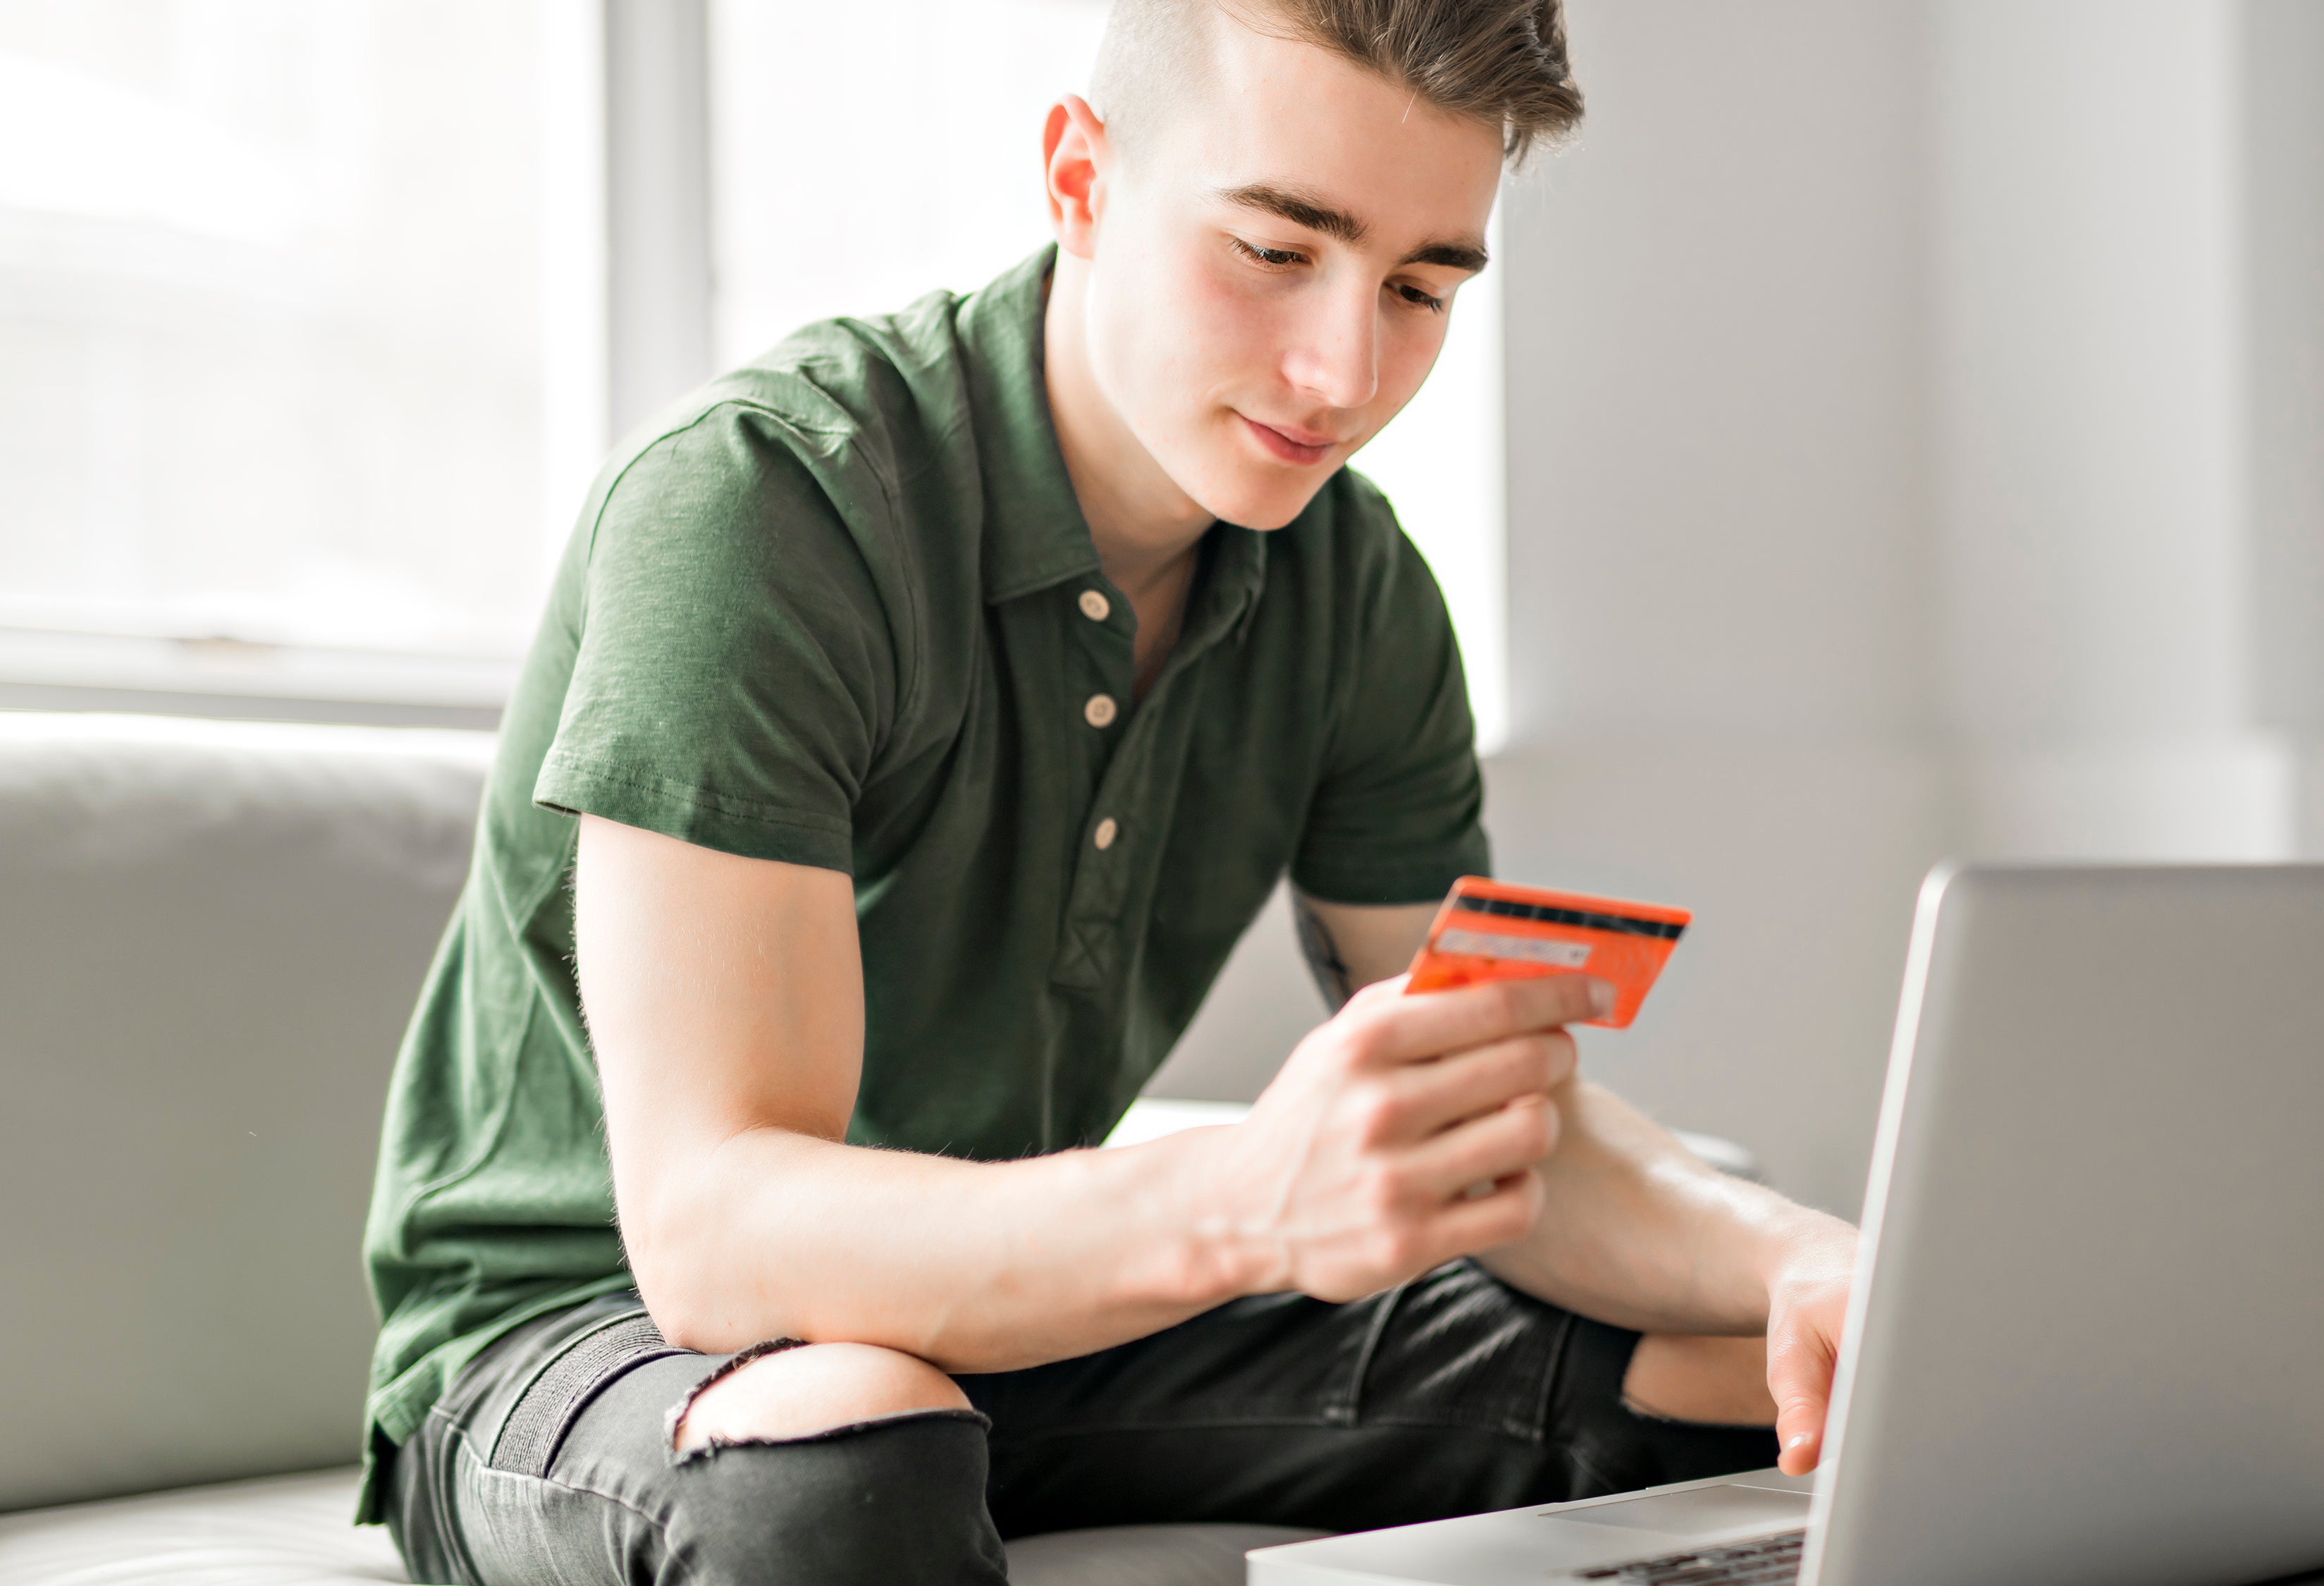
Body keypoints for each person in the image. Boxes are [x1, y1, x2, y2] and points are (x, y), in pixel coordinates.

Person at [361, 1, 1857, 1580]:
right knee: (845, 1458)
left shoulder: (1354, 589)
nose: (1341, 369)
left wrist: (1814, 1262)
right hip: (590, 1338)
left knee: (1744, 1376)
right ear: (1079, 177)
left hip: (1032, 1325)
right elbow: (716, 1247)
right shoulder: (765, 506)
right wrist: (1241, 1204)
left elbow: (1490, 1122)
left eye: (1419, 287)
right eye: (1277, 252)